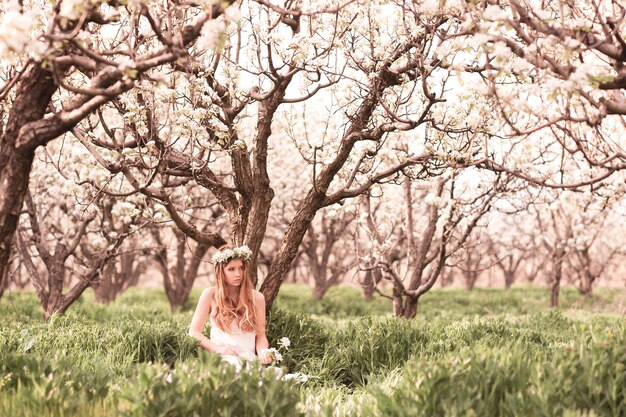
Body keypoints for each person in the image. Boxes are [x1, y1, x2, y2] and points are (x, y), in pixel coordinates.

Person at [188, 244, 273, 365]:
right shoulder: (210, 295)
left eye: (241, 268)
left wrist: (263, 352)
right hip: (222, 359)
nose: (238, 274)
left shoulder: (257, 298)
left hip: (247, 360)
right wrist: (218, 349)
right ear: (220, 272)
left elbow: (260, 336)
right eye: (231, 269)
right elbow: (194, 332)